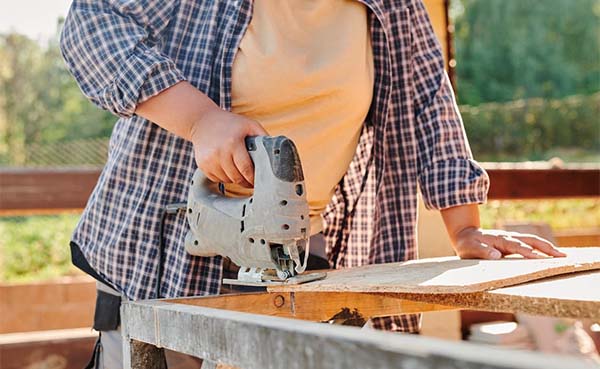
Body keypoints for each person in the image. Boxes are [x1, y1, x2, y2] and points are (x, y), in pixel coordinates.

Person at [60, 0, 565, 367]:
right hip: (169, 247)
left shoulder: (393, 7)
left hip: (304, 248)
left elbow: (427, 102)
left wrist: (465, 230)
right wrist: (199, 120)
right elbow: (91, 24)